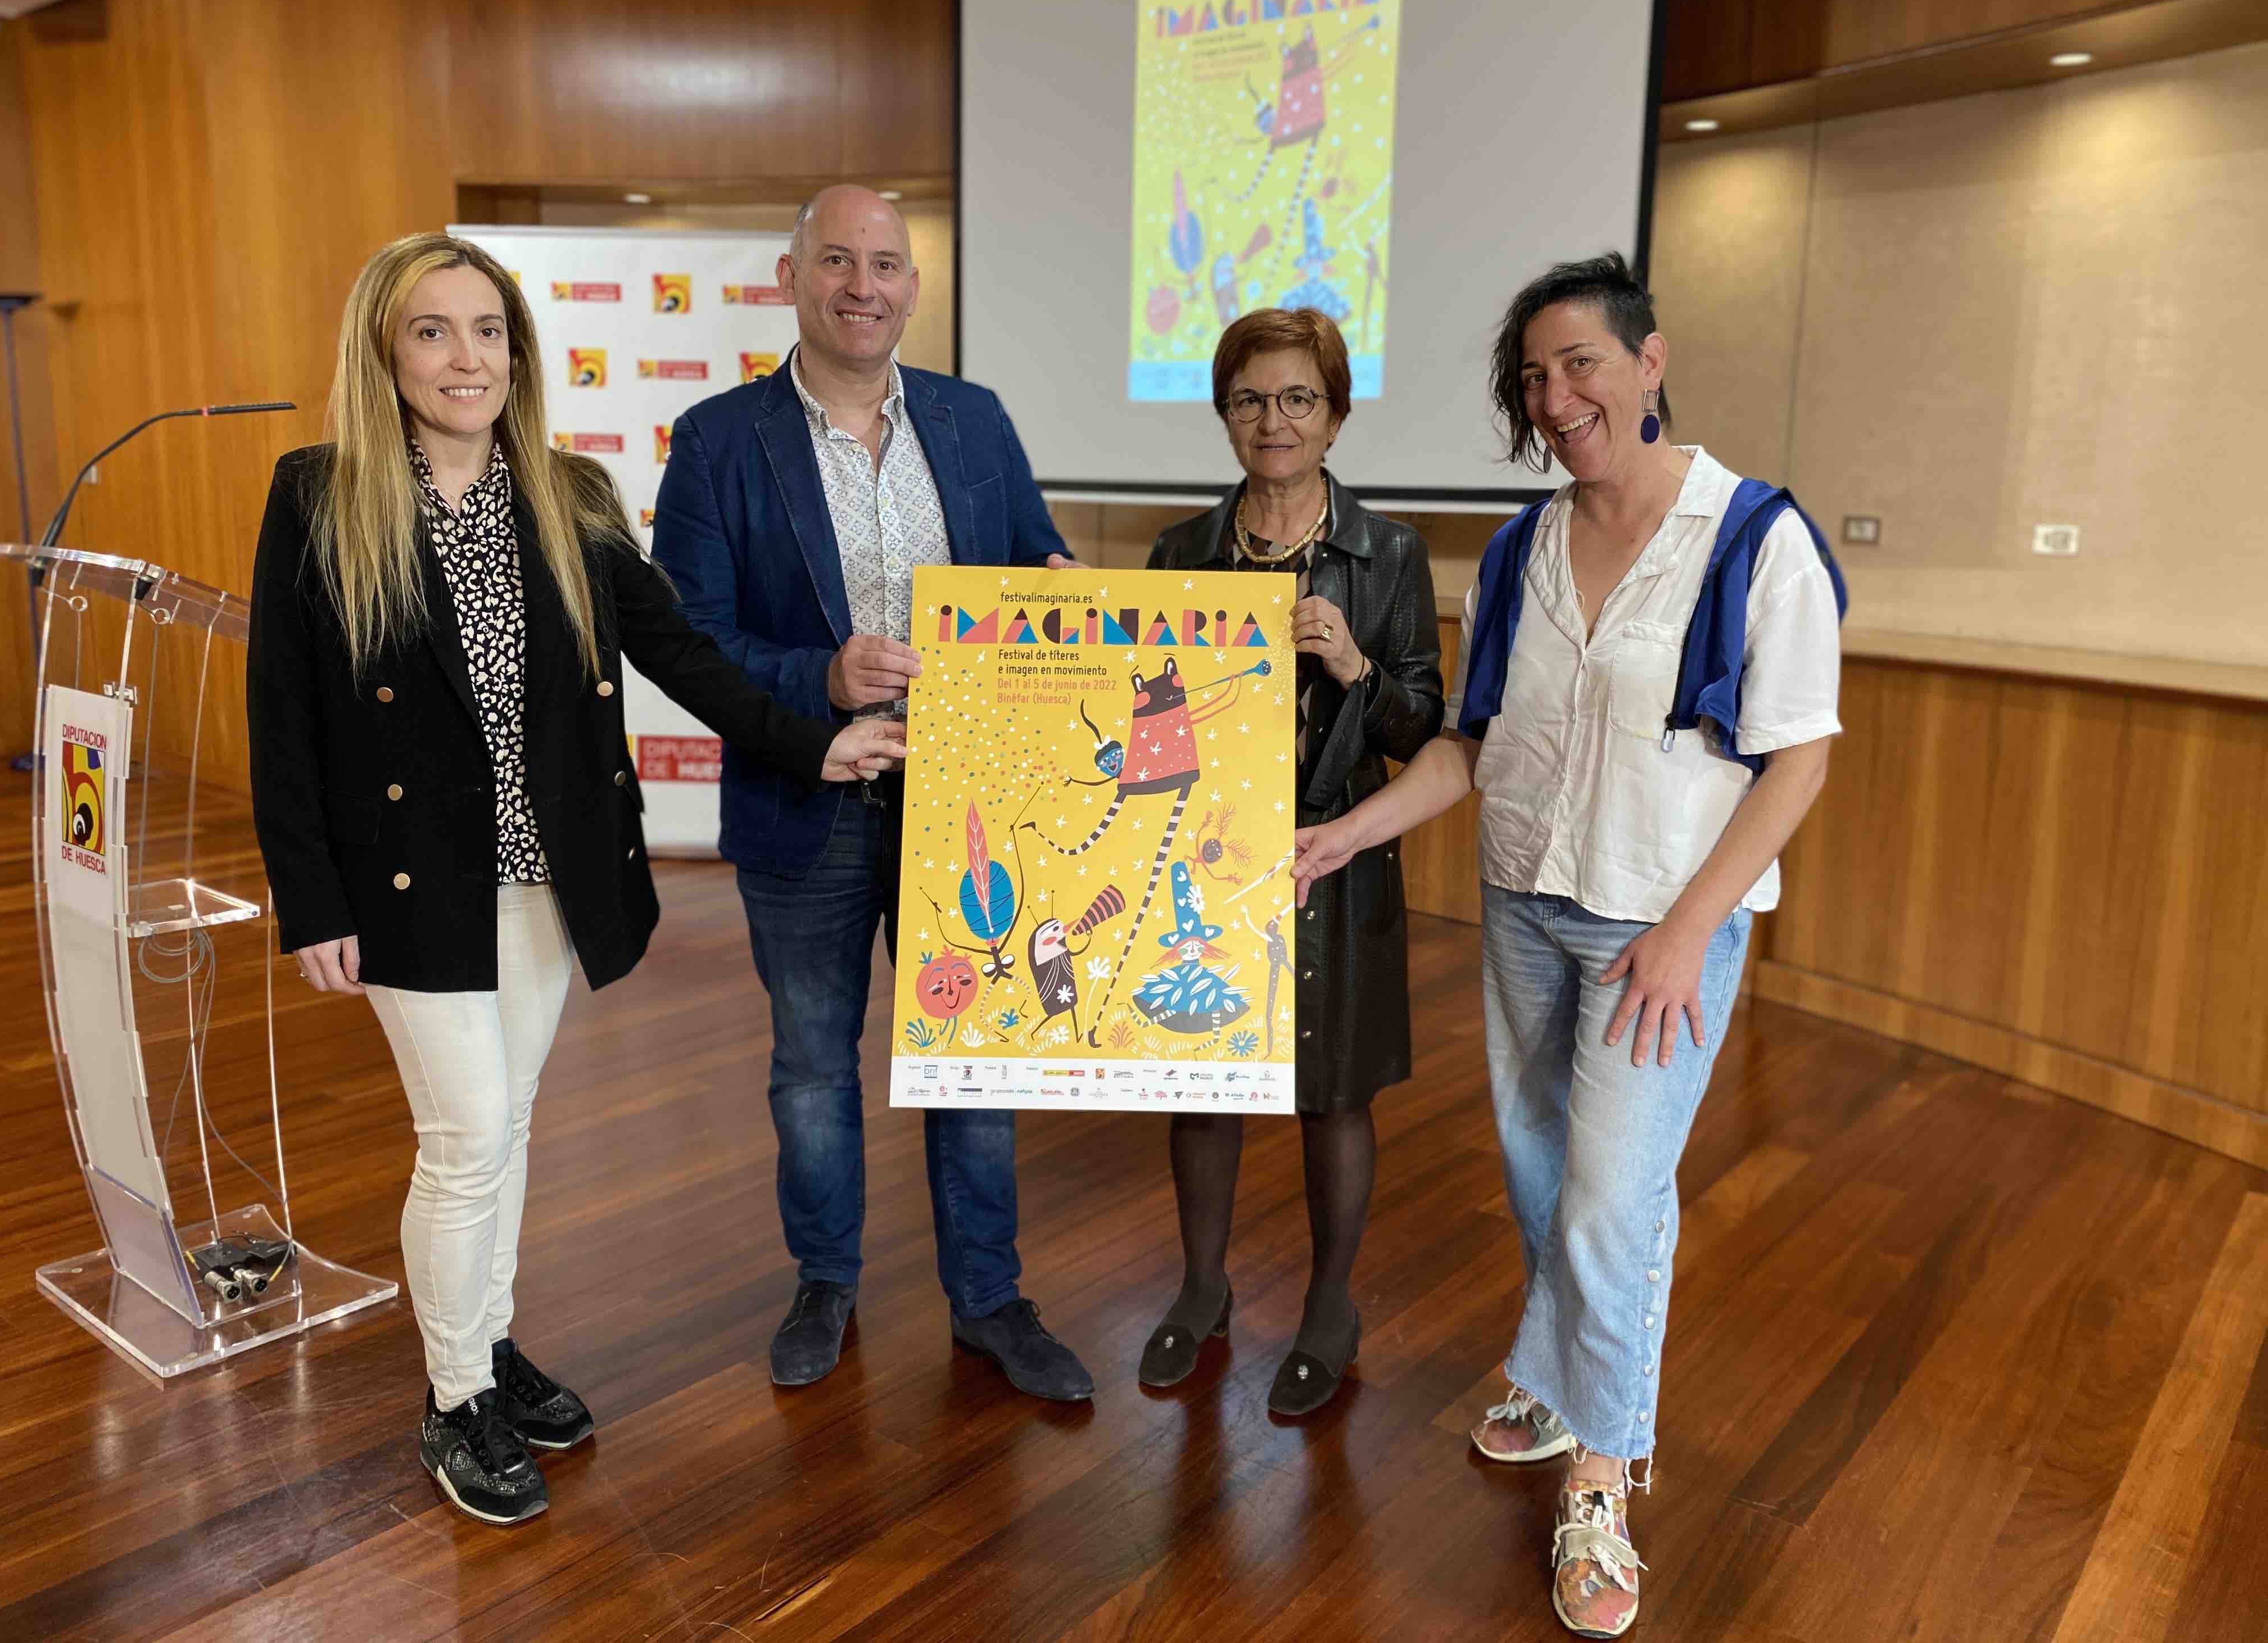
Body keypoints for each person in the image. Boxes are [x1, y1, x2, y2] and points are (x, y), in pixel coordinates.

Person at [246, 234, 903, 1529]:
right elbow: (283, 711)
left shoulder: (570, 494)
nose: (467, 358)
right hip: (407, 883)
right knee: (466, 1137)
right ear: (384, 351)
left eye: (489, 330)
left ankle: (487, 1349)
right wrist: (309, 897)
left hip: (547, 876)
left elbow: (683, 653)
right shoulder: (322, 495)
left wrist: (811, 740)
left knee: (509, 1126)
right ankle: (453, 1401)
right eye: (433, 330)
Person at [1295, 253, 1842, 1637]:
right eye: (1534, 378)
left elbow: (1797, 761)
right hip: (1527, 905)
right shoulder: (1520, 551)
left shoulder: (1755, 537)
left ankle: (1602, 1473)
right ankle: (1553, 1379)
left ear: (1649, 364)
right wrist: (1349, 835)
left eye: (1580, 364)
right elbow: (1474, 746)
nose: (1555, 398)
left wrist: (1689, 931)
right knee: (1543, 1170)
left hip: (1661, 924)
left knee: (1613, 1198)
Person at [651, 185, 1094, 1401]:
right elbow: (689, 639)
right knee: (812, 1065)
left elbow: (1033, 564)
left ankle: (989, 1301)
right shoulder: (719, 440)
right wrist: (821, 679)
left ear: (913, 284)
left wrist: (1066, 598)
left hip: (972, 802)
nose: (864, 286)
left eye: (886, 264)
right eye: (838, 261)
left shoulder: (971, 418)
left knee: (977, 1063)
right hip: (810, 796)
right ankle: (826, 1284)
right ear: (791, 277)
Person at [1142, 308, 1443, 1415]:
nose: (1274, 420)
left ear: (1336, 415)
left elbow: (1424, 726)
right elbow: (1146, 714)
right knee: (1201, 1077)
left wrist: (1357, 665)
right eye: (1250, 400)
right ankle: (1202, 1288)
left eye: (1298, 399)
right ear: (1225, 414)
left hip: (1337, 853)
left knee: (1334, 1093)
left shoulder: (1390, 553)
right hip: (1206, 856)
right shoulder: (1181, 552)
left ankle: (1330, 1304)